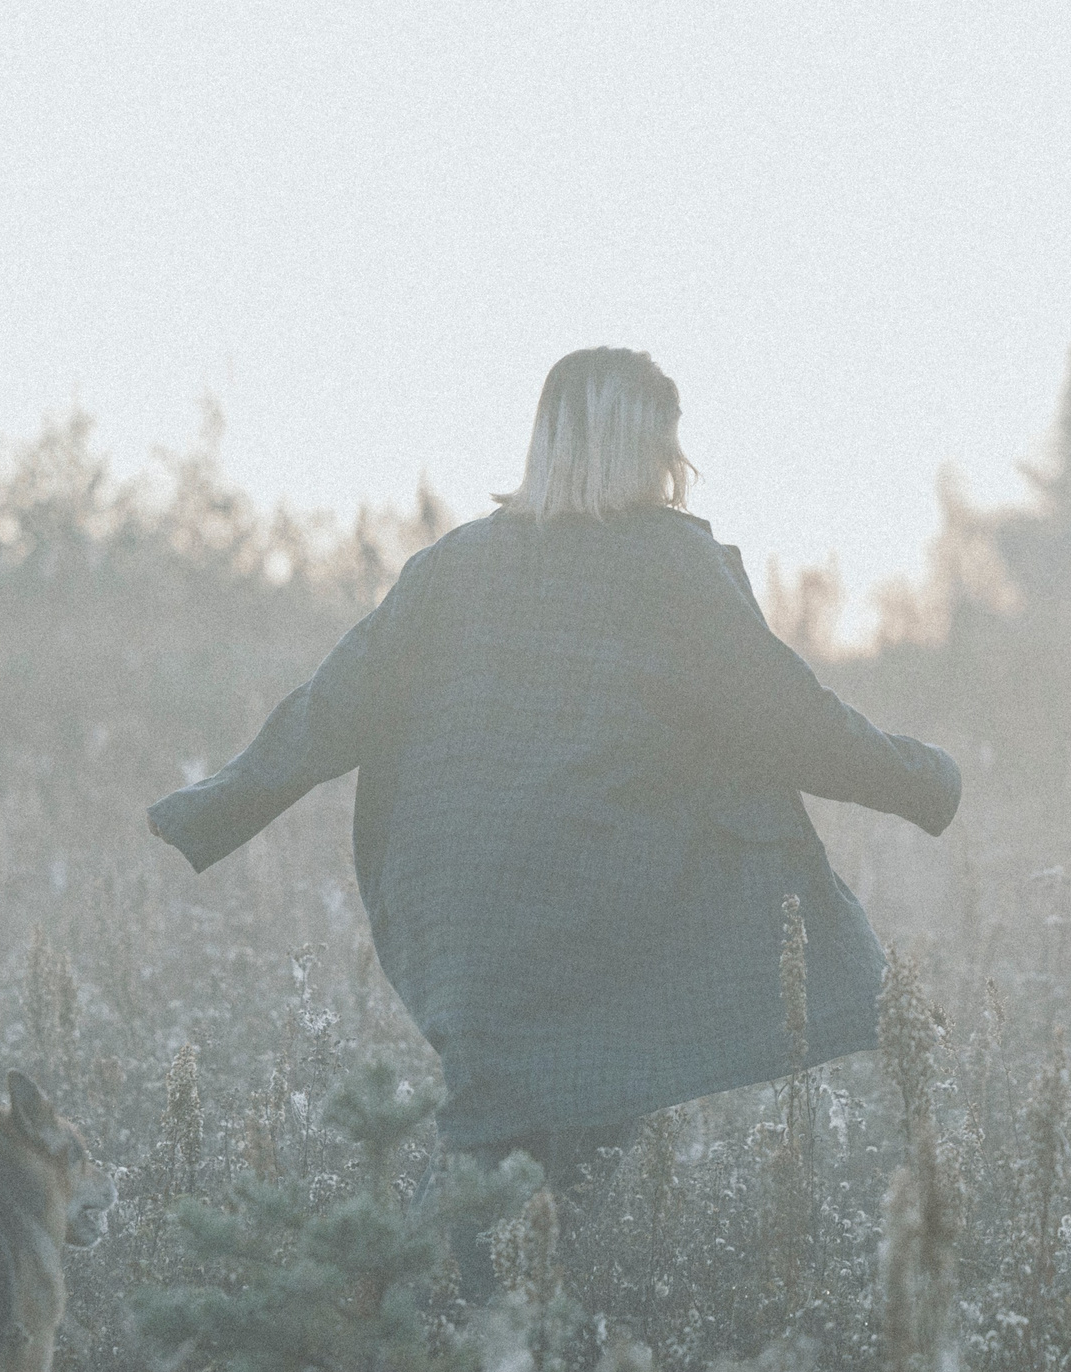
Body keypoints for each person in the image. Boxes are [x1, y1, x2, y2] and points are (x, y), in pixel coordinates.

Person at [148, 347, 961, 1298]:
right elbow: (788, 719)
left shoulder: (453, 566)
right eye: (665, 436)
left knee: (516, 1119)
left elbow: (334, 705)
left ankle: (446, 1320)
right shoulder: (667, 566)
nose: (675, 458)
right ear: (640, 444)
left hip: (460, 908)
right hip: (602, 903)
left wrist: (216, 806)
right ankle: (439, 1331)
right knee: (552, 1114)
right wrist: (920, 781)